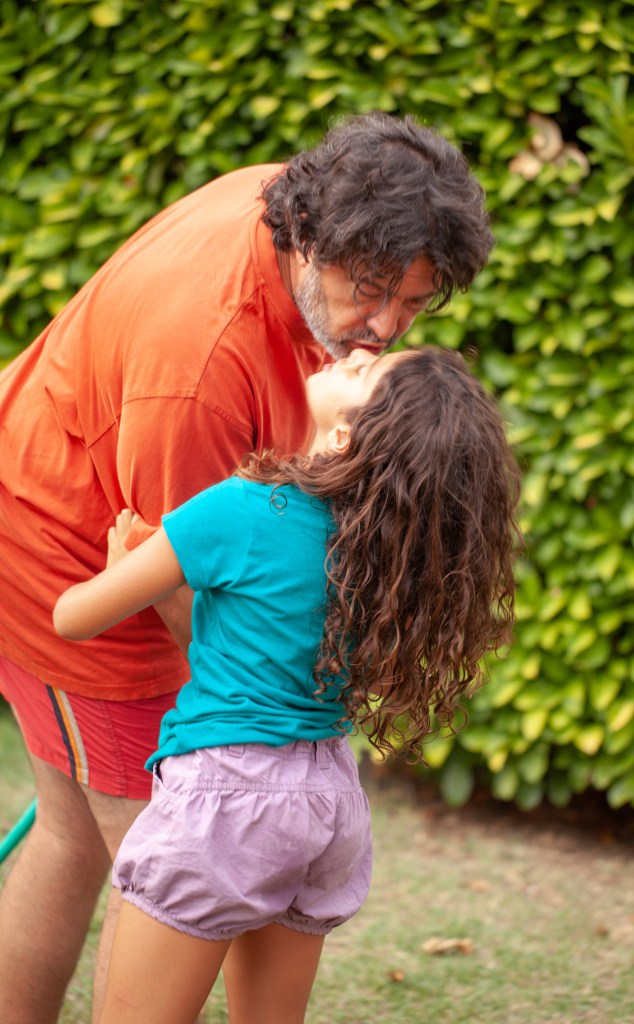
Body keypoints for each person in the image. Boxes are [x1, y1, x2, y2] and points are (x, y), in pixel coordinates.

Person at [0, 112, 494, 1023]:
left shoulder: (318, 210)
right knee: (146, 847)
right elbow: (190, 608)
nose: (383, 330)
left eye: (414, 303)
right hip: (64, 547)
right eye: (370, 292)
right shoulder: (196, 369)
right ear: (308, 238)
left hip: (147, 550)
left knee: (83, 839)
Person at [53, 345, 522, 1024]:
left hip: (223, 804)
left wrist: (126, 565)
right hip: (327, 805)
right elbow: (239, 664)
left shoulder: (240, 511)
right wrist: (173, 590)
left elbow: (73, 618)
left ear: (345, 436)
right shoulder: (384, 558)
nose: (356, 352)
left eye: (364, 372)